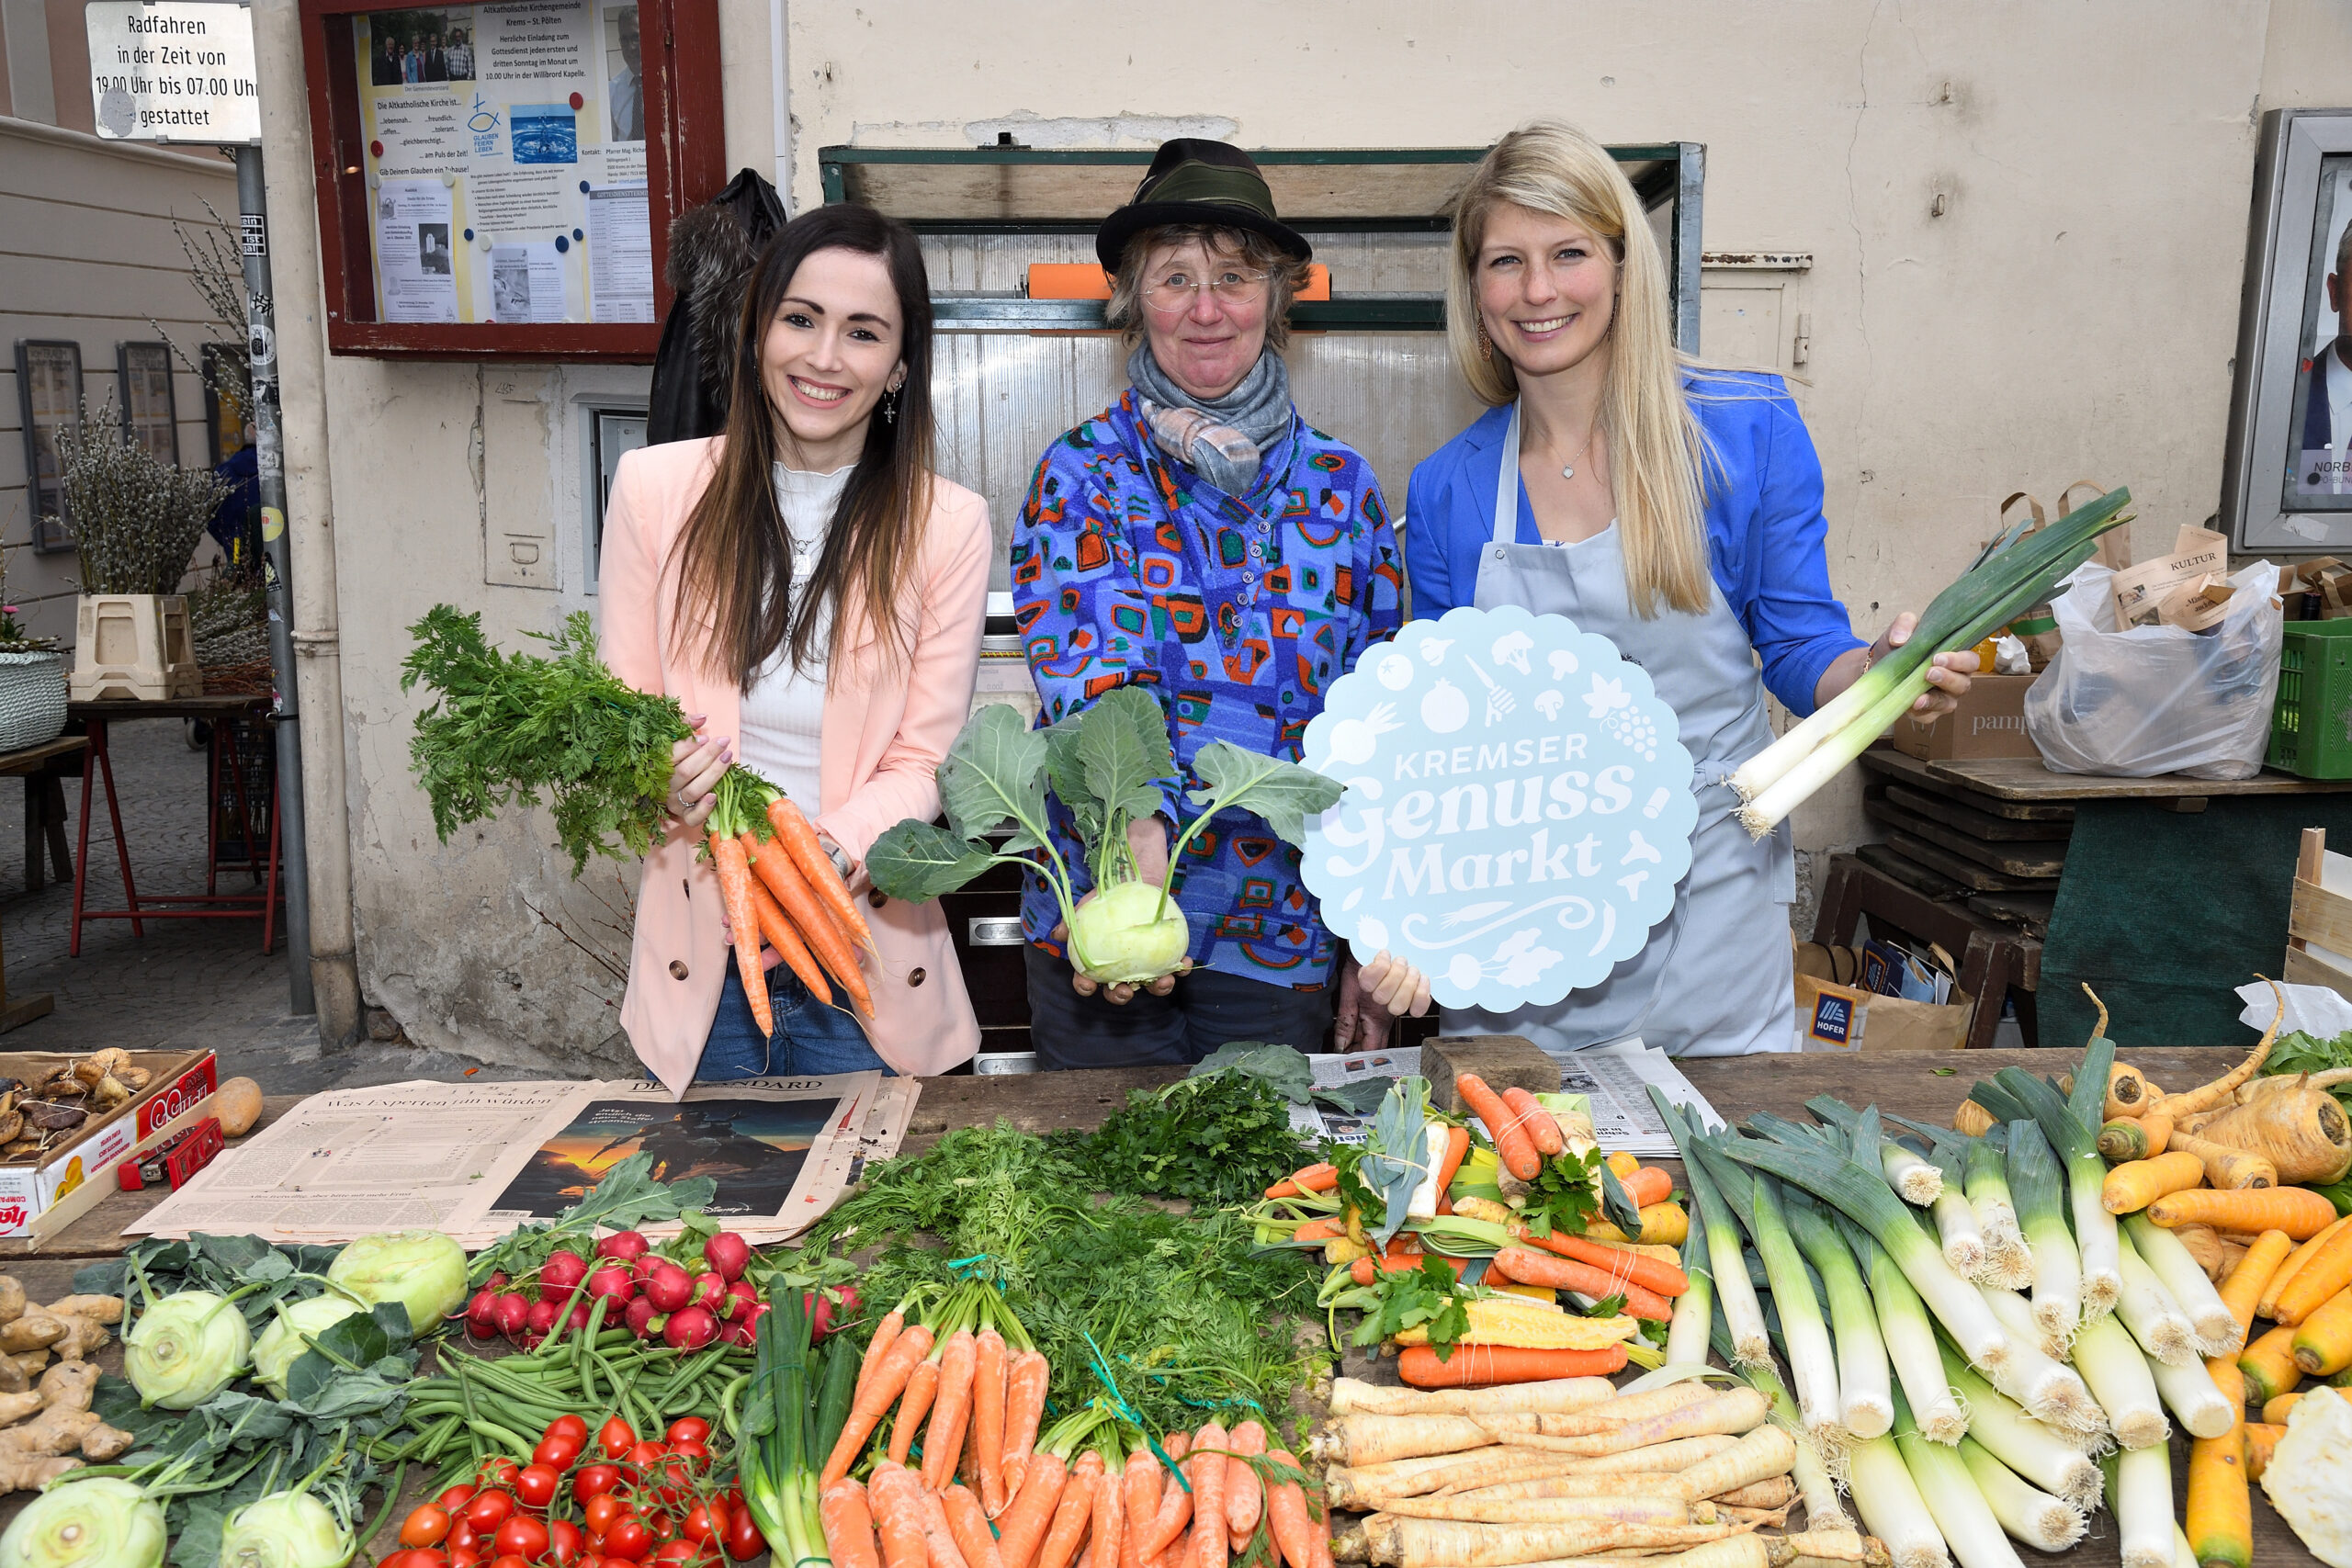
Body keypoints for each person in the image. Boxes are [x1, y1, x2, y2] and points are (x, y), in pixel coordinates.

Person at [1405, 120, 1975, 1059]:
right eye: (1505, 261)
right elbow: (1443, 737)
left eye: (1568, 253)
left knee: (1711, 1174)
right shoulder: (1449, 487)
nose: (1537, 290)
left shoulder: (1740, 432)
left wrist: (1879, 671)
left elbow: (1796, 651)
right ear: (1475, 289)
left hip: (1705, 903)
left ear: (1624, 267)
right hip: (1520, 918)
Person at [1010, 139, 1431, 1071]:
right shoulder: (1083, 473)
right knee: (1098, 1197)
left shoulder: (1340, 487)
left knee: (1264, 1201)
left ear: (1279, 297)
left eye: (1234, 276)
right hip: (1109, 910)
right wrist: (1136, 884)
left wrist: (1374, 928)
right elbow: (1094, 684)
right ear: (1130, 298)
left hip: (1279, 929)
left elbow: (1376, 728)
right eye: (1174, 278)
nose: (1206, 309)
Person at [599, 204, 990, 1091]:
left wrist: (812, 860)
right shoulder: (656, 491)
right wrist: (650, 770)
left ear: (898, 366)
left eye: (863, 332)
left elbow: (926, 754)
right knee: (707, 1219)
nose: (824, 357)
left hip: (868, 956)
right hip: (702, 947)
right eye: (801, 319)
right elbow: (623, 713)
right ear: (756, 333)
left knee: (877, 1221)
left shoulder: (946, 524)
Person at [609, 7, 643, 141]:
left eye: (636, 37)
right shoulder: (612, 90)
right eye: (624, 40)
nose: (630, 47)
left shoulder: (664, 82)